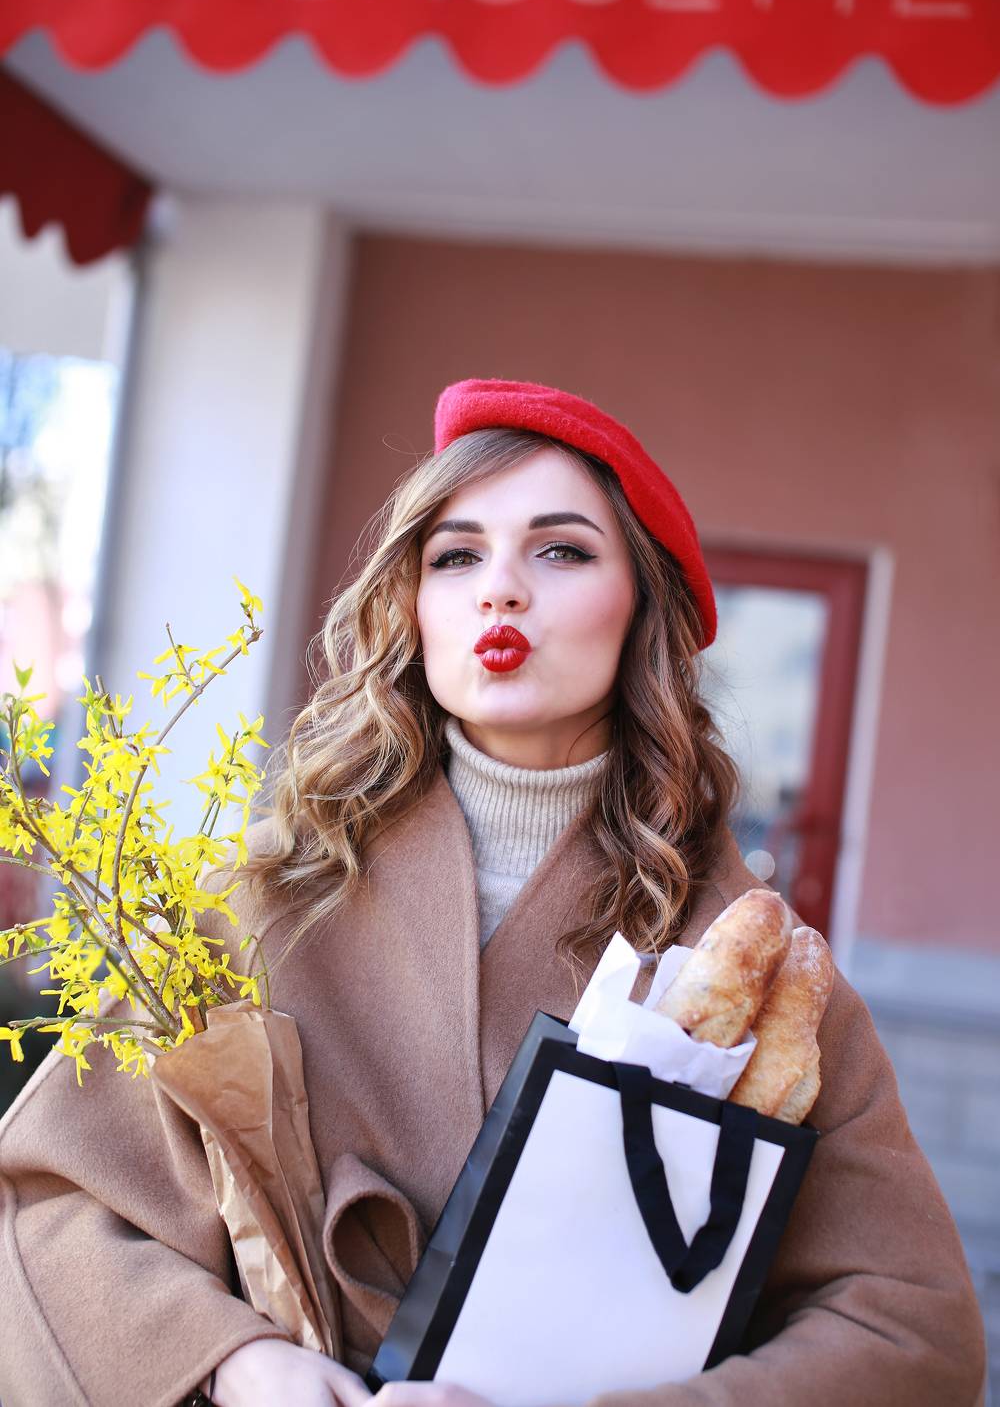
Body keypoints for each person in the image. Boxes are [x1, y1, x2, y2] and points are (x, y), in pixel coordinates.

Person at [0, 378, 986, 1407]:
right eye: (455, 556)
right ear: (412, 605)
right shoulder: (253, 899)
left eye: (561, 551)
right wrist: (233, 1362)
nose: (500, 590)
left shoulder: (748, 966)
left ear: (642, 607)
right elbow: (49, 1208)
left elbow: (911, 1325)